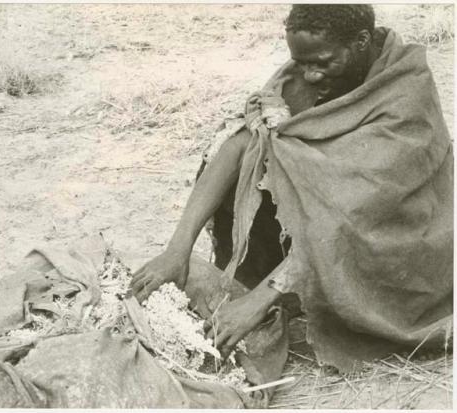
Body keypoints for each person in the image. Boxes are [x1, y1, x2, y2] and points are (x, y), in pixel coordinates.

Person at [131, 4, 453, 371]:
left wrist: (256, 304)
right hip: (325, 226)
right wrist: (177, 250)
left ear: (362, 41)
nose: (310, 76)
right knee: (250, 146)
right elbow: (241, 142)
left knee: (329, 202)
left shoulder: (406, 93)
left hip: (392, 244)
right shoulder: (311, 68)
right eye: (300, 63)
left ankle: (279, 294)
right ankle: (277, 284)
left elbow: (351, 216)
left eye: (322, 63)